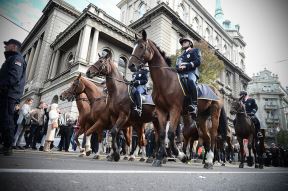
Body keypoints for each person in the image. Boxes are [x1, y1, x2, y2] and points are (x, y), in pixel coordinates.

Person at [0, 39, 26, 155]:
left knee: (7, 119)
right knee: (4, 119)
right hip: (6, 92)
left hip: (9, 93)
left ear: (14, 47)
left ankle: (7, 146)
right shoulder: (12, 58)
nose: (5, 47)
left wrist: (2, 86)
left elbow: (13, 77)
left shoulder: (17, 59)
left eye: (7, 45)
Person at [176, 37, 201, 119]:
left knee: (190, 81)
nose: (183, 43)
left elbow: (198, 62)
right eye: (182, 42)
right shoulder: (180, 56)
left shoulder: (195, 50)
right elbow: (177, 66)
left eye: (185, 42)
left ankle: (194, 104)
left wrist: (186, 66)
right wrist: (177, 68)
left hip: (191, 72)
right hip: (181, 74)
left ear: (190, 43)